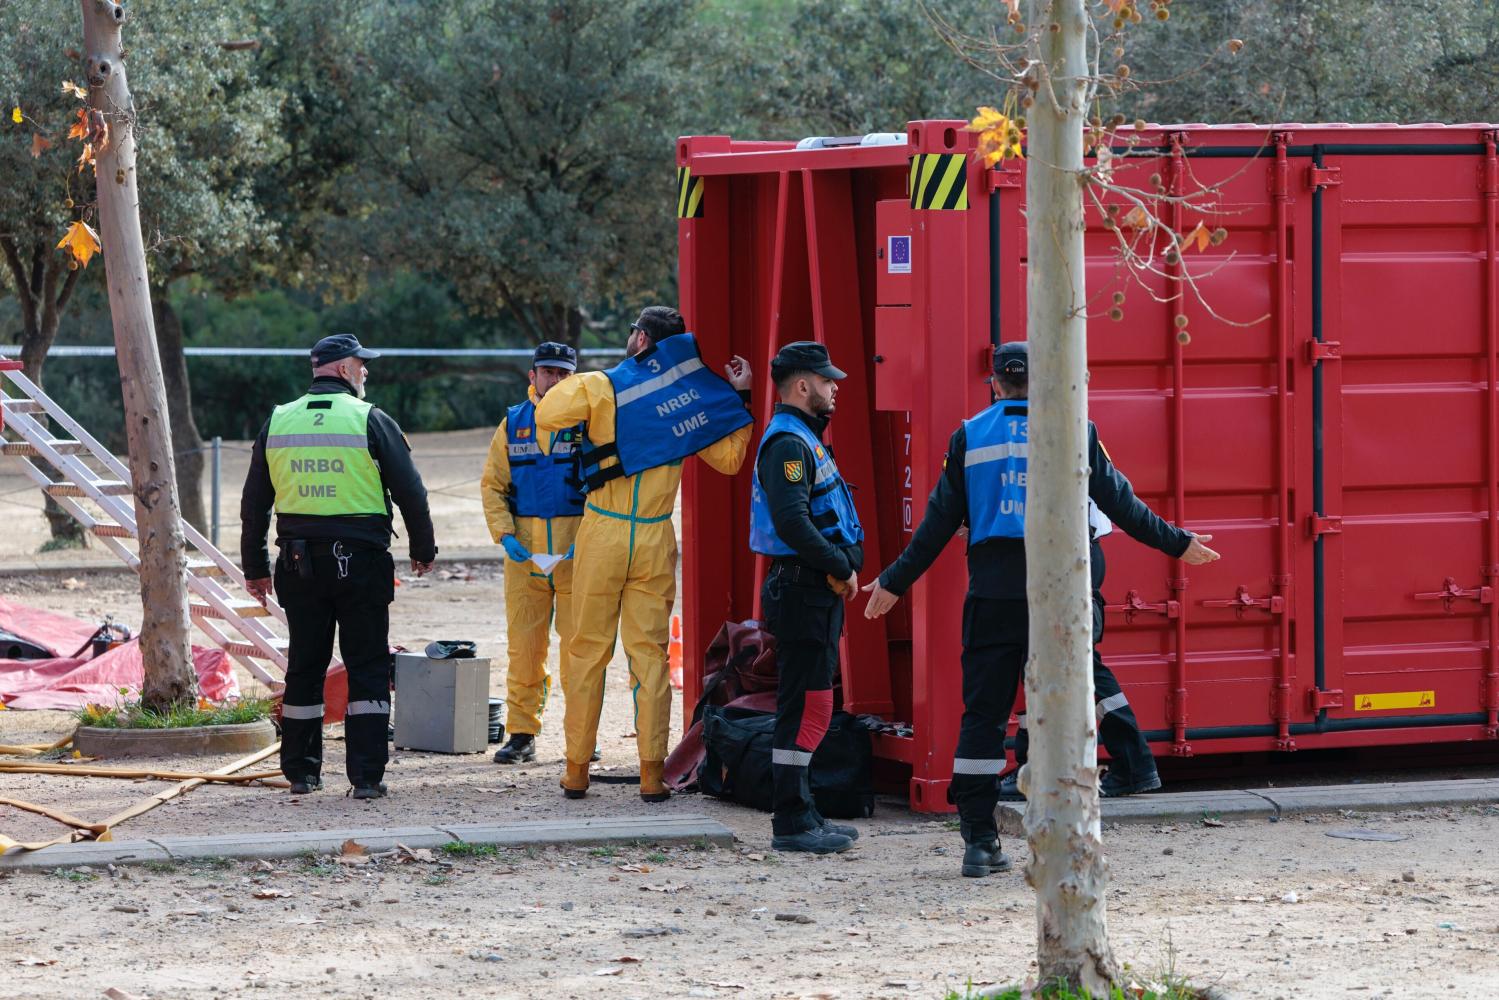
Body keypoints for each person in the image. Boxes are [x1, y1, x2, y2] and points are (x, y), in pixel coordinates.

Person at [861, 340, 1219, 876]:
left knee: (982, 719)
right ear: (1046, 379)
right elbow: (1122, 503)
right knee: (1067, 715)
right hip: (1061, 595)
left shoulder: (970, 436)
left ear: (995, 384)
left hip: (996, 595)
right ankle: (1065, 841)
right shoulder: (1075, 429)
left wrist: (892, 581)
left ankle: (980, 842)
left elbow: (936, 525)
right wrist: (1179, 543)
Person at [535, 306, 753, 802]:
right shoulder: (688, 395)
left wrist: (589, 389)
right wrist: (737, 394)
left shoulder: (601, 387)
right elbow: (730, 459)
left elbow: (547, 413)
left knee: (587, 652)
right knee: (650, 658)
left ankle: (575, 772)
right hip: (655, 536)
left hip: (603, 532)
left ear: (640, 341)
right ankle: (652, 776)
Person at [240, 333, 438, 800]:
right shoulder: (371, 419)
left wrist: (255, 568)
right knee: (366, 666)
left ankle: (301, 774)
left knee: (304, 665)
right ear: (344, 369)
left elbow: (254, 504)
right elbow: (411, 492)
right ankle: (366, 777)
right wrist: (423, 550)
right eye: (360, 363)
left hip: (297, 563)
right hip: (362, 564)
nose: (365, 370)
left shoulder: (279, 421)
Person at [750, 342, 865, 854]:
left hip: (811, 589)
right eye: (826, 380)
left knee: (812, 703)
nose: (834, 387)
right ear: (802, 386)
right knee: (805, 708)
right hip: (803, 589)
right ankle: (791, 821)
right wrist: (840, 565)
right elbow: (792, 521)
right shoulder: (789, 444)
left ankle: (803, 810)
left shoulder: (805, 438)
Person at [480, 342, 587, 765]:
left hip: (577, 554)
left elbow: (606, 486)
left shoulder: (591, 422)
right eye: (548, 372)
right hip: (524, 557)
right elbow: (493, 486)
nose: (556, 380)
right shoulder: (513, 423)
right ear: (533, 376)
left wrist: (590, 536)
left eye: (564, 374)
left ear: (574, 379)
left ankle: (584, 735)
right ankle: (522, 733)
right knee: (525, 648)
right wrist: (504, 535)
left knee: (581, 649)